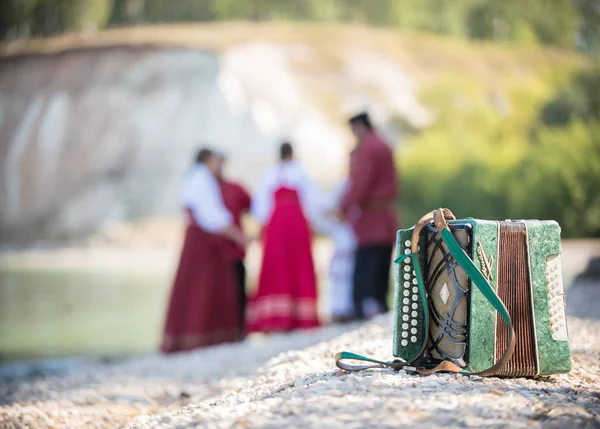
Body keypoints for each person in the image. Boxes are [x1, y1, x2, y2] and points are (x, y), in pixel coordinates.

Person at [161, 148, 248, 353]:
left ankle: (190, 338)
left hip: (198, 242)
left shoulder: (194, 178)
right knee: (203, 290)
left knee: (194, 290)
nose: (220, 166)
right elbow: (213, 216)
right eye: (217, 161)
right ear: (208, 160)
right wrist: (238, 236)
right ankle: (203, 338)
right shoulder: (203, 179)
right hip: (203, 245)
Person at [247, 142, 321, 332]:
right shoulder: (301, 173)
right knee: (299, 265)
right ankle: (301, 317)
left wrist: (262, 226)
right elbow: (314, 202)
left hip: (276, 226)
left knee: (276, 267)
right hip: (296, 224)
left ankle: (274, 318)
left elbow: (260, 208)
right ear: (292, 154)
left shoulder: (269, 174)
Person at [334, 112, 399, 320]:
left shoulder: (367, 148)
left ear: (360, 126)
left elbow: (360, 181)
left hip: (371, 215)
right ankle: (382, 306)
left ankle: (360, 307)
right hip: (386, 212)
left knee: (365, 261)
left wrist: (345, 207)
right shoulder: (385, 145)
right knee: (382, 261)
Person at [214, 151, 252, 338]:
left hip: (233, 250)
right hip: (214, 252)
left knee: (238, 290)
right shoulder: (206, 189)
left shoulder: (234, 188)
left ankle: (239, 331)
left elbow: (254, 205)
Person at [323, 180, 357, 323]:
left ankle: (351, 308)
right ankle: (338, 310)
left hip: (353, 233)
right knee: (339, 275)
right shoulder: (341, 186)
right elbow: (326, 208)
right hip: (342, 236)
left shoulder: (355, 185)